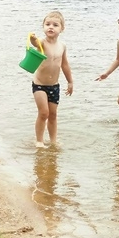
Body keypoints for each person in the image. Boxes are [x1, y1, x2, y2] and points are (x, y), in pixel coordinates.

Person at [31, 10, 73, 148]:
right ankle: (39, 140)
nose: (50, 27)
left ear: (62, 29)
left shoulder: (62, 46)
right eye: (47, 24)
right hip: (39, 85)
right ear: (43, 26)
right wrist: (32, 38)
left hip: (54, 85)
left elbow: (65, 64)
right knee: (44, 113)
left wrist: (70, 81)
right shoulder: (42, 43)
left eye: (55, 25)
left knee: (53, 115)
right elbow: (35, 43)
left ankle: (53, 141)